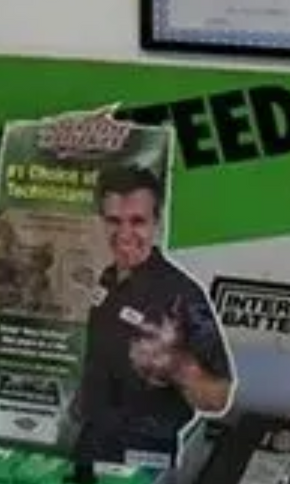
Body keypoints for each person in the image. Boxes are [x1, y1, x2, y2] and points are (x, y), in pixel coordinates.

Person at [71, 163, 233, 466]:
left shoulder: (181, 295)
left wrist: (176, 363)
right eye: (114, 221)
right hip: (91, 444)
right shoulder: (107, 277)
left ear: (157, 223)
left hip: (144, 457)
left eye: (138, 221)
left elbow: (218, 398)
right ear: (101, 222)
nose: (124, 233)